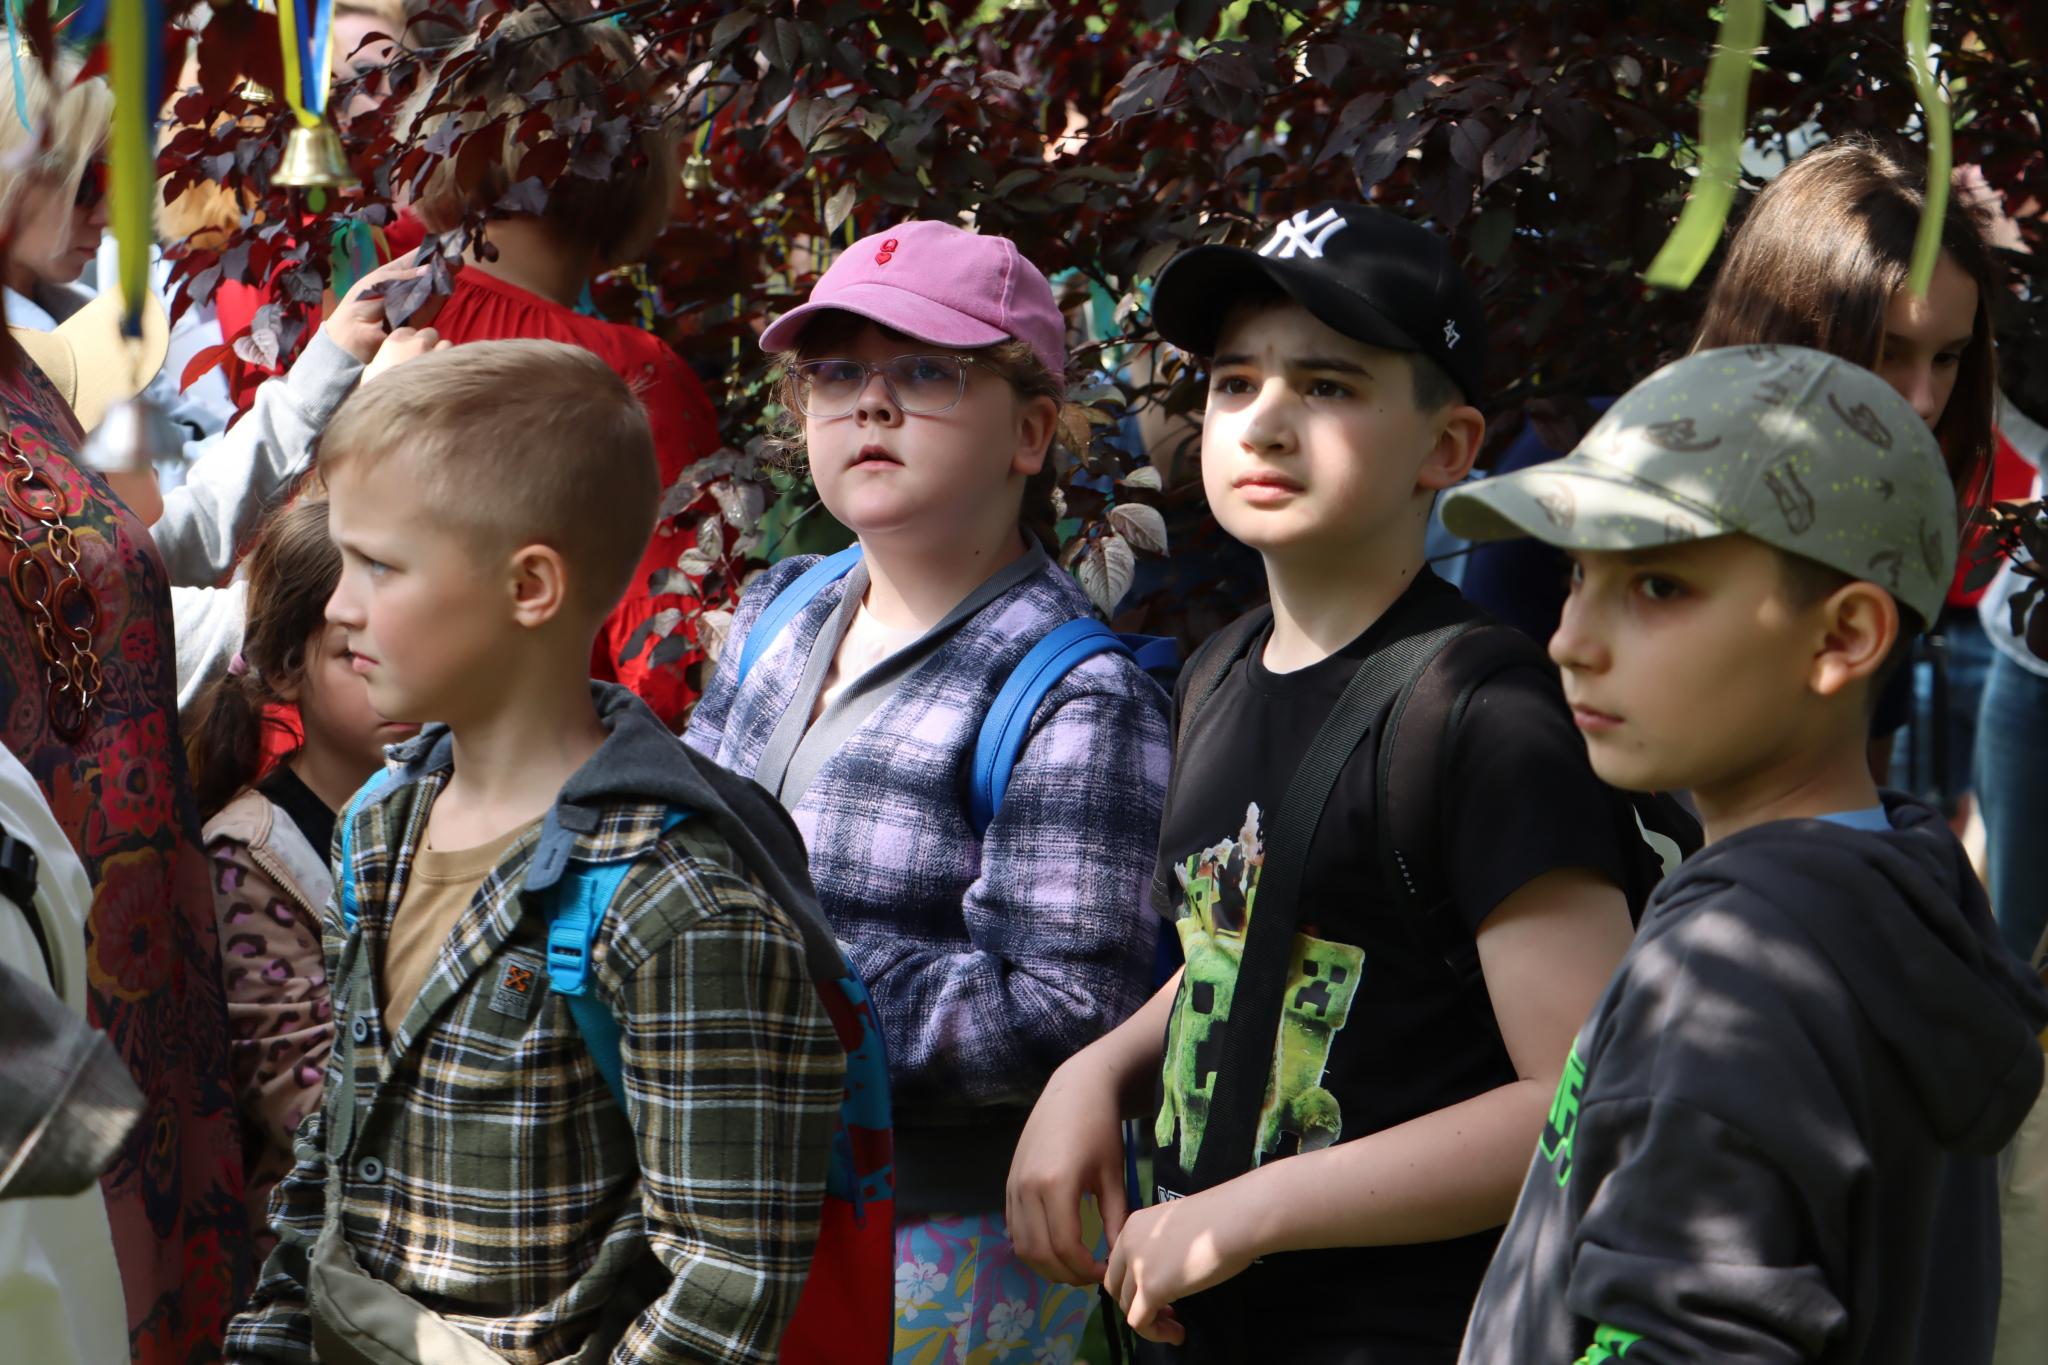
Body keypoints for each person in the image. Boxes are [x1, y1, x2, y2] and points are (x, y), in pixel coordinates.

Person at [1006, 203, 1639, 1364]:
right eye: (1234, 382)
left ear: (1446, 450)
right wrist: (1094, 1070)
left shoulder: (1482, 714)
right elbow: (1240, 950)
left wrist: (1252, 1212)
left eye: (1329, 386)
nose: (1266, 423)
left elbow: (1583, 1101)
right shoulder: (1215, 673)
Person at [225, 340, 844, 1364]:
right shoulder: (382, 822)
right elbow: (336, 1156)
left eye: (378, 565)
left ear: (529, 587)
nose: (339, 605)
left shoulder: (674, 904)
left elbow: (726, 1283)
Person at [1444, 345, 2048, 1364]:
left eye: (1659, 585)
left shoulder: (1728, 983)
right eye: (1578, 574)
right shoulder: (1902, 892)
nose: (1567, 640)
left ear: (1841, 638)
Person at [684, 219, 1171, 1364]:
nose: (871, 404)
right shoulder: (777, 612)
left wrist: (772, 1008)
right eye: (837, 371)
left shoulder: (1076, 693)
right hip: (728, 1217)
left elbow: (1062, 1011)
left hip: (940, 1256)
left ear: (1032, 432)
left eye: (925, 372)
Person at [390, 5, 726, 726]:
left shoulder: (370, 308)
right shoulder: (625, 376)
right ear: (628, 156)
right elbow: (669, 661)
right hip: (538, 786)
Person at [184, 492, 419, 1255]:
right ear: (288, 670)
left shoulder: (455, 803)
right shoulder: (253, 856)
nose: (399, 670)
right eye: (356, 650)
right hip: (326, 1261)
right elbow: (309, 1104)